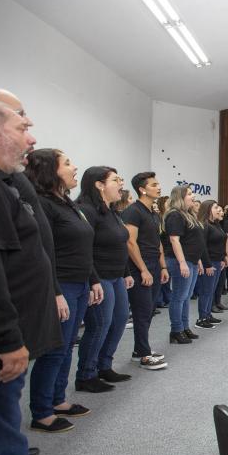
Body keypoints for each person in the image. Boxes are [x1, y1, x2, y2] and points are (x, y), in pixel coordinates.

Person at [0, 96, 79, 455]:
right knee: (1, 440)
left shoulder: (4, 183)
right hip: (0, 345)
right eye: (22, 126)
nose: (31, 137)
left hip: (10, 332)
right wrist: (8, 338)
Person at [25, 149, 98, 432]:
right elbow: (45, 251)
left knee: (67, 346)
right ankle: (42, 412)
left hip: (78, 283)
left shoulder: (67, 202)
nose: (74, 167)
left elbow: (84, 246)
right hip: (61, 284)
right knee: (54, 350)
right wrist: (55, 292)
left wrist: (92, 280)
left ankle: (58, 399)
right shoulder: (43, 204)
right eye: (67, 163)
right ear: (50, 171)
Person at [75, 166, 134, 392]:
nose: (121, 184)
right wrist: (93, 280)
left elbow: (120, 244)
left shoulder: (112, 211)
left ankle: (104, 365)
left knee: (119, 320)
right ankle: (86, 374)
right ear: (99, 185)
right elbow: (83, 248)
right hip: (99, 277)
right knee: (99, 325)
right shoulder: (87, 210)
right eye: (116, 180)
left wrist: (126, 273)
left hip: (117, 276)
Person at [123, 172, 169, 370]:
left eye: (158, 184)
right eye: (154, 185)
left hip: (154, 264)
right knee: (142, 311)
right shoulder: (133, 211)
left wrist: (163, 266)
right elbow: (130, 242)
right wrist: (143, 269)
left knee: (149, 310)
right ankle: (144, 354)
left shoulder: (153, 213)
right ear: (142, 189)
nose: (159, 187)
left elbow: (157, 242)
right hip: (140, 265)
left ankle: (139, 350)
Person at [163, 185, 210, 342]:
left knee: (186, 296)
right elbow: (174, 240)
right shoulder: (175, 215)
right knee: (179, 296)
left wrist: (198, 261)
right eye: (189, 194)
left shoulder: (188, 214)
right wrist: (182, 263)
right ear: (180, 197)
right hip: (180, 261)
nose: (193, 196)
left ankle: (184, 327)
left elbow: (193, 241)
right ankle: (176, 330)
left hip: (192, 261)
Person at [197, 200, 228, 328]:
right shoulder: (204, 225)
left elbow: (220, 243)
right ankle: (201, 319)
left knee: (211, 291)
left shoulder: (216, 224)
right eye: (216, 207)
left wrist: (222, 258)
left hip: (217, 261)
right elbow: (203, 247)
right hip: (209, 262)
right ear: (208, 209)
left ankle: (208, 315)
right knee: (206, 291)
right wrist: (207, 264)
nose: (218, 210)